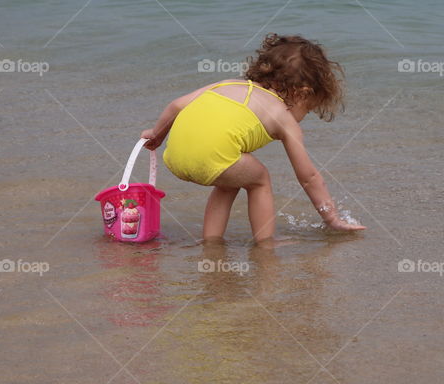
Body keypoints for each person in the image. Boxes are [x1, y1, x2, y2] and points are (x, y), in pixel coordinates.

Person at [141, 34, 366, 242]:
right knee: (259, 179)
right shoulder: (283, 117)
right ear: (302, 93)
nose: (303, 117)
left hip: (173, 155)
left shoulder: (227, 84)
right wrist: (331, 218)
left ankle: (211, 242)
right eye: (307, 110)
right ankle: (265, 245)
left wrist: (156, 135)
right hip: (211, 158)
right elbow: (308, 177)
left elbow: (177, 105)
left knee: (231, 181)